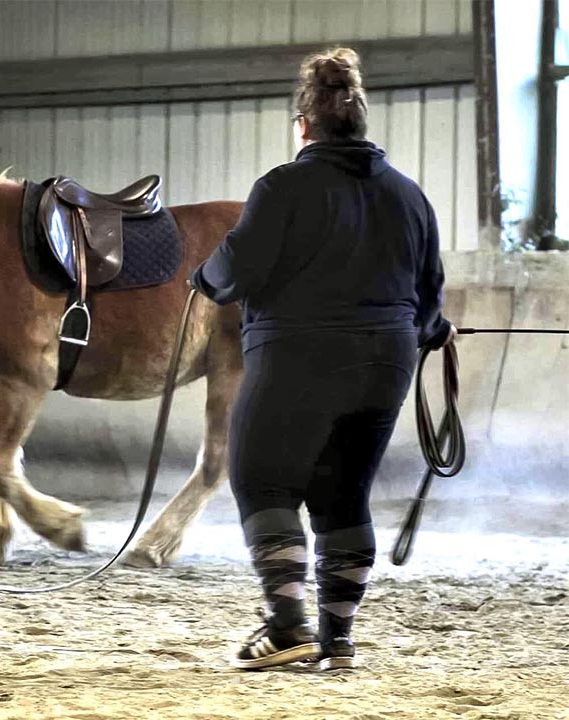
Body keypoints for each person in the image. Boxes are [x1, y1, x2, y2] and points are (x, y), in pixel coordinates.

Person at [190, 47, 455, 671]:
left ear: (302, 125)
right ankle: (337, 637)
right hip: (386, 364)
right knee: (344, 496)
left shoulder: (282, 186)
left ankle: (288, 627)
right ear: (359, 122)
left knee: (262, 481)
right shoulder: (410, 196)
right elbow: (429, 300)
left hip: (298, 357)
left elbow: (235, 270)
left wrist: (203, 275)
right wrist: (432, 330)